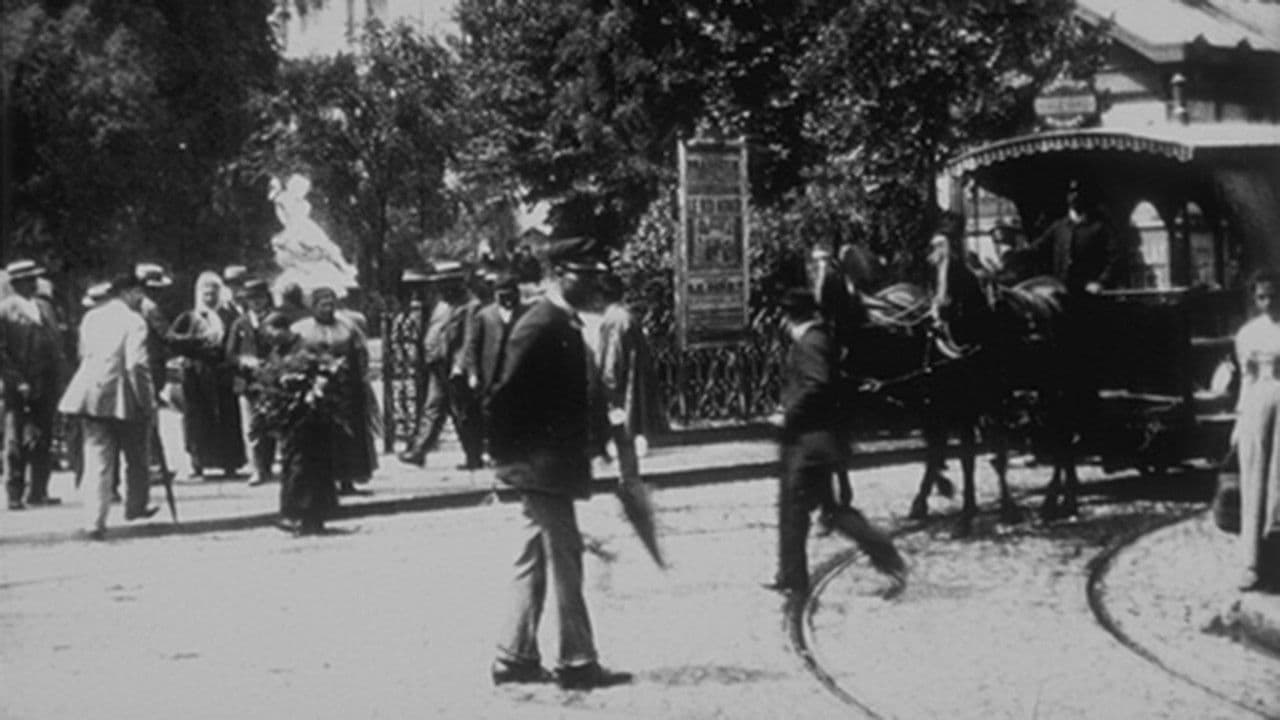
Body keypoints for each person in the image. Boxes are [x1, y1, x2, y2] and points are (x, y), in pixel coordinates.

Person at [486, 237, 630, 690]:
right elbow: (503, 393)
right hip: (542, 467)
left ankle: (515, 657)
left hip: (547, 465)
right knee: (567, 561)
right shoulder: (541, 322)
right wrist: (513, 455)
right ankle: (577, 660)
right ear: (562, 275)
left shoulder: (559, 321)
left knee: (531, 559)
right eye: (586, 276)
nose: (593, 285)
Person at [765, 288, 906, 595]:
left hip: (810, 443)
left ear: (790, 318)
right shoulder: (816, 339)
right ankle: (794, 575)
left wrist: (787, 414)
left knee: (797, 510)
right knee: (823, 511)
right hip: (815, 442)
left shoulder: (811, 342)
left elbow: (817, 385)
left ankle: (795, 577)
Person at [58, 272, 158, 540]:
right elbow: (136, 364)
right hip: (124, 397)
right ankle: (136, 506)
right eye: (140, 293)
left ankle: (94, 521)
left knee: (97, 458)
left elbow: (83, 354)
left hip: (89, 394)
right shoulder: (134, 321)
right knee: (137, 454)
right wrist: (148, 402)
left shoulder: (91, 317)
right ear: (130, 292)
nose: (142, 298)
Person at [288, 287, 376, 499]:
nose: (328, 309)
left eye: (331, 304)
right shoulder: (301, 329)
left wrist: (361, 377)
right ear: (313, 306)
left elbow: (360, 353)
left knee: (348, 435)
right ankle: (326, 483)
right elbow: (292, 355)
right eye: (323, 305)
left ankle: (348, 480)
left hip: (346, 388)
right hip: (316, 388)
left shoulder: (347, 327)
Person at [0, 259, 69, 510]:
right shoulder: (5, 310)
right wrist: (17, 381)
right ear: (16, 283)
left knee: (44, 435)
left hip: (47, 381)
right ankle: (15, 493)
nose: (33, 284)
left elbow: (57, 343)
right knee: (15, 439)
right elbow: (2, 352)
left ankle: (39, 490)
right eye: (28, 280)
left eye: (34, 279)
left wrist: (60, 377)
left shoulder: (44, 307)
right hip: (19, 384)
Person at [398, 263, 480, 469]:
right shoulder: (443, 304)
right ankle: (419, 452)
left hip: (454, 367)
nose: (441, 288)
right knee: (432, 408)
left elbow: (470, 339)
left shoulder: (470, 305)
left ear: (456, 283)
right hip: (437, 364)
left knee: (461, 413)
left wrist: (460, 366)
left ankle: (474, 456)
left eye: (445, 284)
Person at [165, 271, 245, 478]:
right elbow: (172, 339)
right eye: (206, 294)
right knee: (198, 417)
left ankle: (230, 463)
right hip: (197, 372)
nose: (210, 298)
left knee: (226, 416)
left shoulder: (230, 316)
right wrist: (196, 340)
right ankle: (198, 462)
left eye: (213, 294)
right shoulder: (190, 317)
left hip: (222, 372)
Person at [1232, 268, 1280, 592]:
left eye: (1274, 297)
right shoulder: (1248, 334)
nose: (1268, 303)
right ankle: (1251, 563)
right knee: (1254, 481)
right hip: (1258, 404)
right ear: (1255, 298)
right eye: (1262, 297)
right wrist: (1239, 420)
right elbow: (1246, 380)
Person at [596, 273, 666, 458]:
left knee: (621, 420)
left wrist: (606, 382)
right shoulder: (627, 316)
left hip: (621, 382)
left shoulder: (613, 319)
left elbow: (613, 356)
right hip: (635, 377)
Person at [465, 272, 526, 459]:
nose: (507, 300)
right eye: (502, 296)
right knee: (492, 412)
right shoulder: (484, 315)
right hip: (492, 372)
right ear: (496, 294)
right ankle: (494, 449)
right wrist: (473, 373)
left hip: (519, 371)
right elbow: (473, 345)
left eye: (510, 295)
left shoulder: (526, 313)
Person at [227, 278, 276, 486]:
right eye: (251, 299)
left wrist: (271, 363)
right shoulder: (240, 323)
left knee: (272, 423)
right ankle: (257, 468)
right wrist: (243, 360)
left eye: (260, 298)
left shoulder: (275, 319)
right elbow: (229, 353)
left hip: (271, 379)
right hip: (247, 381)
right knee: (252, 426)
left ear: (267, 299)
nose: (256, 303)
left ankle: (269, 464)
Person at [135, 262, 174, 483]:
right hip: (151, 365)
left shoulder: (132, 306)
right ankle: (153, 465)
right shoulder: (150, 307)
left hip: (142, 365)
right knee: (149, 417)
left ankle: (152, 464)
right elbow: (166, 335)